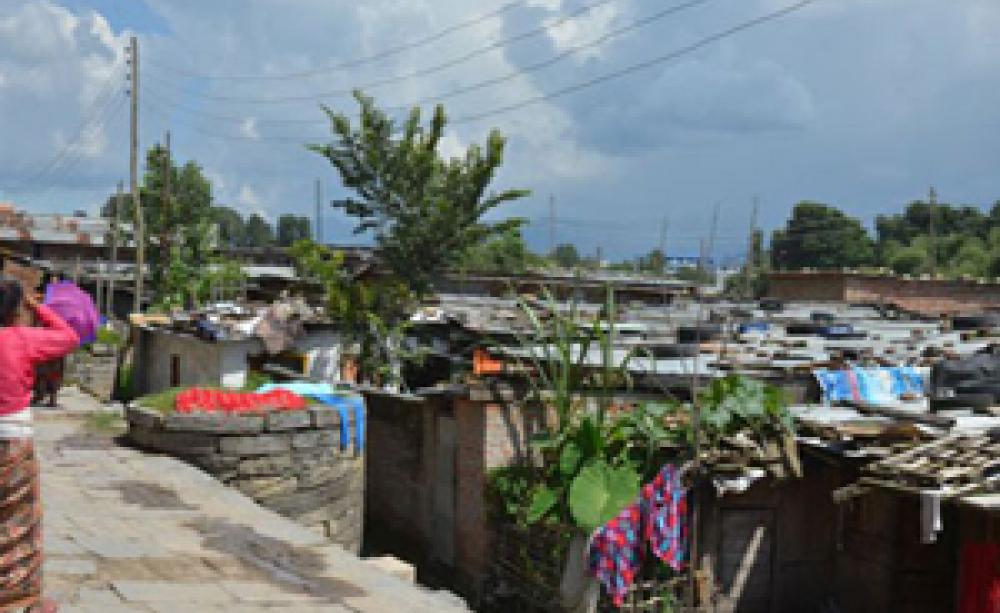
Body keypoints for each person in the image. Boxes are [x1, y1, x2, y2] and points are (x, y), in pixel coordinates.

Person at [0, 279, 79, 611]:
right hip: (14, 439)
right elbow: (70, 337)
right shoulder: (21, 339)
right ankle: (21, 595)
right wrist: (38, 307)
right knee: (21, 518)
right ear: (16, 310)